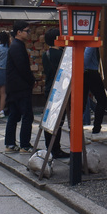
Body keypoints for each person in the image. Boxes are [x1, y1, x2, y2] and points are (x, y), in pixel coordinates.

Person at [4, 21, 36, 152]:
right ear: (19, 32)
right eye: (27, 31)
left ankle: (10, 144)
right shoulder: (17, 46)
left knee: (14, 114)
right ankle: (24, 144)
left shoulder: (15, 45)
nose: (29, 33)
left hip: (14, 87)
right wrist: (31, 80)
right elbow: (22, 68)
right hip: (20, 87)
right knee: (27, 115)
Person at [41, 28, 68, 159]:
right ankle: (56, 149)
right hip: (60, 90)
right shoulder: (62, 55)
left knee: (50, 120)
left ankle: (50, 147)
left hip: (49, 88)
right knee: (59, 121)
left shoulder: (45, 54)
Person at [83, 46, 107, 134]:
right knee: (102, 99)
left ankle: (76, 131)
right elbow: (88, 53)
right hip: (90, 71)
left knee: (82, 101)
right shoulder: (93, 32)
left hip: (82, 70)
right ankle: (96, 130)